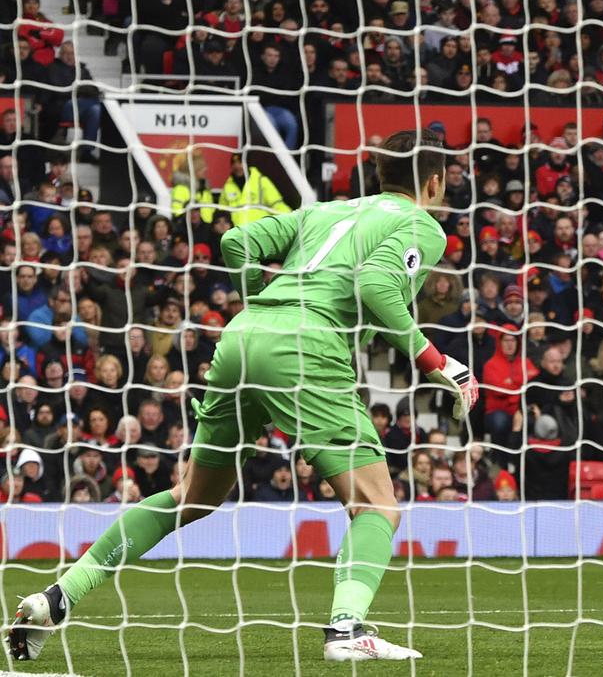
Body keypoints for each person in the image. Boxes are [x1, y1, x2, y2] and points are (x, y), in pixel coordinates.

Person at [6, 130, 477, 663]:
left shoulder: (325, 211)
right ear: (436, 181)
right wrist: (440, 363)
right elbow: (375, 286)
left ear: (378, 174)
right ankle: (348, 630)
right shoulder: (421, 225)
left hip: (243, 335)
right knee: (377, 505)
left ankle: (58, 596)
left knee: (193, 497)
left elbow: (235, 243)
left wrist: (267, 306)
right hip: (308, 347)